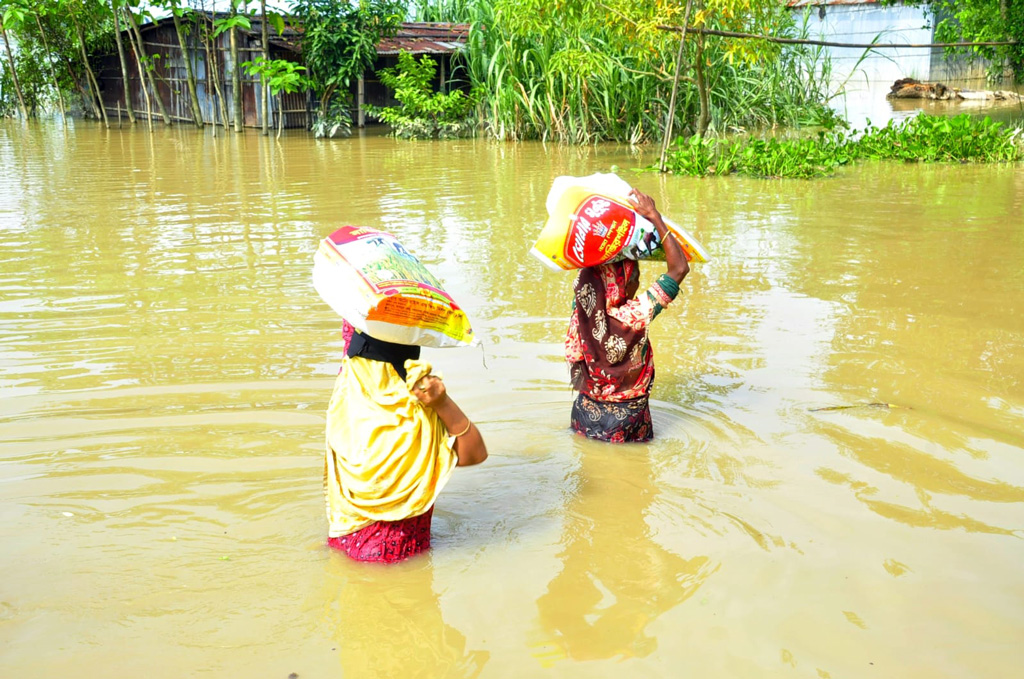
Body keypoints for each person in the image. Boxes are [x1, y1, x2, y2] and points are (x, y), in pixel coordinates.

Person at [324, 323, 487, 563]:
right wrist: (442, 403)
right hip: (400, 557)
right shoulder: (416, 411)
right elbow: (475, 454)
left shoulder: (343, 404)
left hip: (344, 545)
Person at [565, 189, 689, 443]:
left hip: (583, 413)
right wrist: (654, 216)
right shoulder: (632, 316)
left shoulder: (581, 311)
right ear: (622, 285)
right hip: (626, 420)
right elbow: (679, 268)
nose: (636, 284)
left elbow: (589, 266)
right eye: (635, 277)